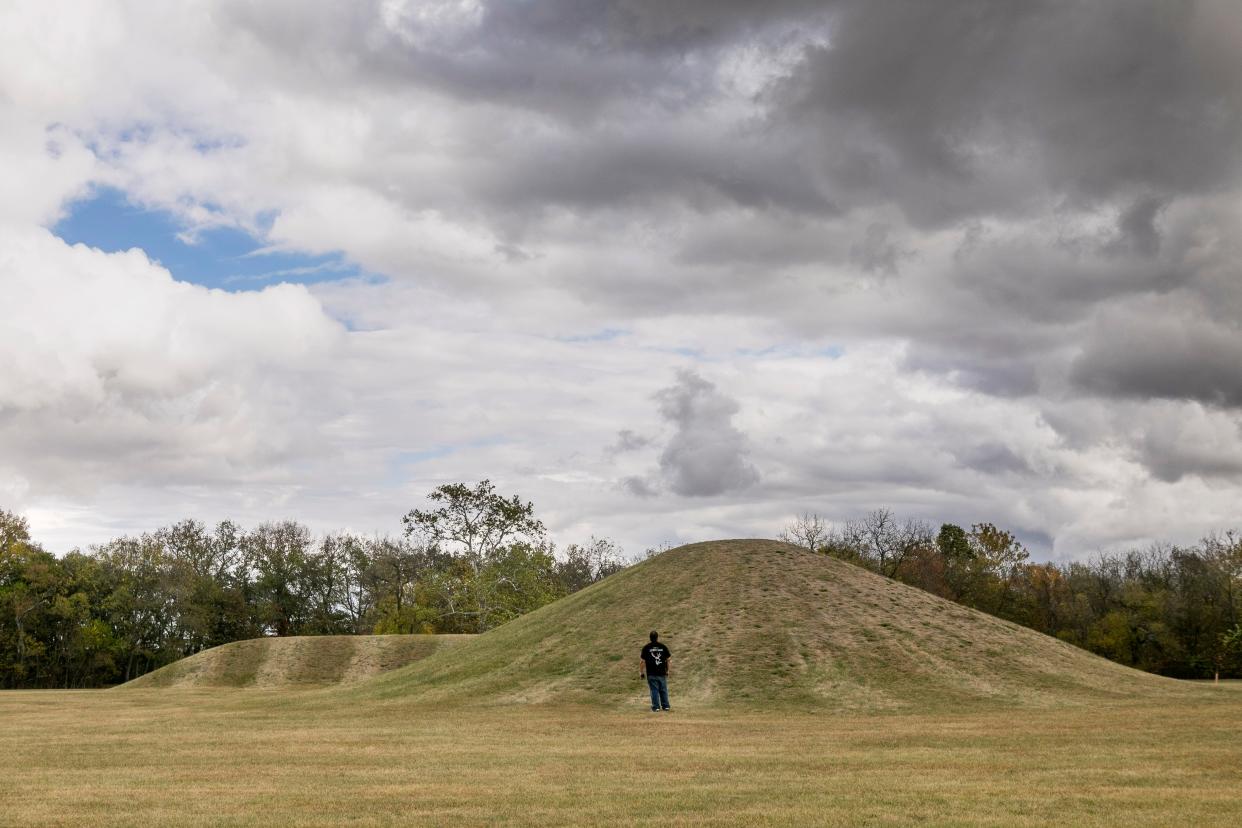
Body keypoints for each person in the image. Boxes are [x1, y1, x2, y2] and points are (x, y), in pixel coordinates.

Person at [640, 630, 671, 712]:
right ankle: (666, 706)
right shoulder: (663, 647)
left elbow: (642, 661)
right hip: (661, 672)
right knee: (663, 689)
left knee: (654, 690)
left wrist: (641, 672)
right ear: (657, 637)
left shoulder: (646, 647)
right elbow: (668, 660)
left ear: (650, 638)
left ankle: (656, 707)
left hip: (651, 673)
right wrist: (668, 670)